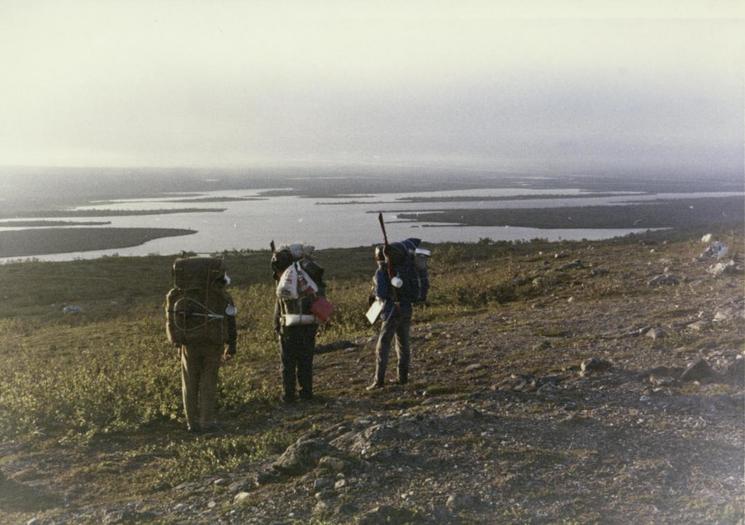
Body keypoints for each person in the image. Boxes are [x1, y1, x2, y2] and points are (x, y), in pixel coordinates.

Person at [166, 257, 237, 432]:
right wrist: (232, 344)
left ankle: (192, 423)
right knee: (208, 381)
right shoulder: (222, 296)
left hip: (189, 344)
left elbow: (172, 320)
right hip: (213, 343)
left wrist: (177, 341)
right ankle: (207, 421)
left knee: (189, 383)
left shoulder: (177, 295)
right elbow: (231, 321)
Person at [272, 245, 326, 402]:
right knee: (305, 360)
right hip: (309, 325)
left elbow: (279, 305)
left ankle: (288, 395)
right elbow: (320, 297)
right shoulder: (308, 276)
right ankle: (306, 393)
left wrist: (276, 325)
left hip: (288, 326)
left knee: (287, 362)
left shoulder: (284, 281)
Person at [367, 245, 412, 390]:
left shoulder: (381, 271)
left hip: (391, 312)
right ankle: (403, 377)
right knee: (403, 344)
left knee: (383, 346)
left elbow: (381, 293)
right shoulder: (404, 268)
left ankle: (378, 380)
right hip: (406, 309)